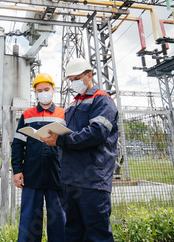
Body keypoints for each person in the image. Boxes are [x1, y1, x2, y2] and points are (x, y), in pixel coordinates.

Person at [42, 58, 118, 242]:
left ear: (89, 75)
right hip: (71, 178)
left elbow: (96, 133)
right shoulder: (72, 105)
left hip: (93, 179)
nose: (73, 83)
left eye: (76, 78)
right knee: (73, 231)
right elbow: (70, 134)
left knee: (97, 233)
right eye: (70, 79)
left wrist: (61, 140)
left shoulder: (102, 100)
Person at [11, 73, 66, 242]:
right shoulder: (27, 115)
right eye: (39, 90)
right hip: (32, 174)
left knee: (59, 220)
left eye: (46, 89)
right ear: (35, 92)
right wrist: (17, 170)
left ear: (53, 90)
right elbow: (18, 144)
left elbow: (70, 143)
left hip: (57, 174)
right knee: (29, 221)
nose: (43, 92)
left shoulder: (63, 114)